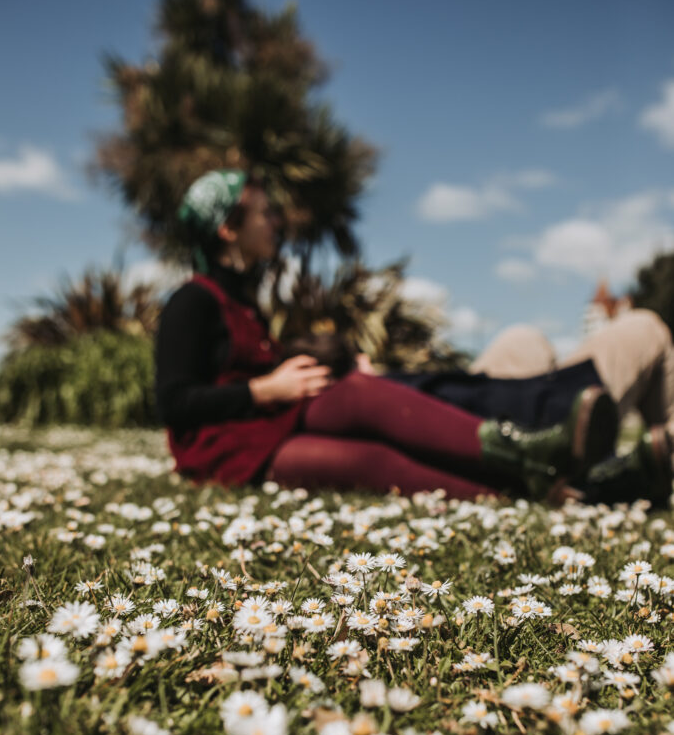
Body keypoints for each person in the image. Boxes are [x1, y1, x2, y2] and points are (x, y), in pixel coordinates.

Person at [153, 168, 649, 504]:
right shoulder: (192, 301)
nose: (274, 222)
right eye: (263, 213)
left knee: (362, 394)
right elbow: (173, 403)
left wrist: (334, 368)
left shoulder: (243, 303)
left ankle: (526, 452)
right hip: (228, 450)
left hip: (271, 420)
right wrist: (263, 390)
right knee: (371, 461)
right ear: (227, 229)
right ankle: (519, 487)